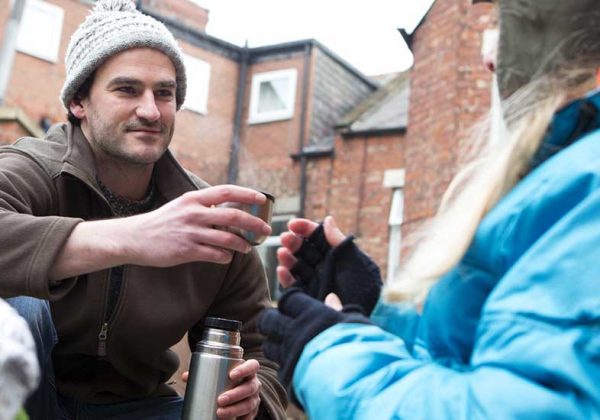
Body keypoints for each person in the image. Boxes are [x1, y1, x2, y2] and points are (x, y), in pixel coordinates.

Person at [258, 0, 600, 418]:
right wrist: (372, 311)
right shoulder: (571, 175)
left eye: (508, 30)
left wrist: (327, 352)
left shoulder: (589, 183)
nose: (490, 59)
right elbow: (470, 363)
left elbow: (530, 407)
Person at [0, 1, 287, 419]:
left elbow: (264, 349)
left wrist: (254, 398)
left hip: (138, 406)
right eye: (127, 89)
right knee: (22, 304)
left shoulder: (206, 216)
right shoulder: (36, 169)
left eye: (165, 94)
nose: (151, 111)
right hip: (24, 397)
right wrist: (133, 238)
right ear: (79, 101)